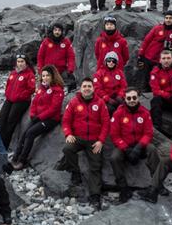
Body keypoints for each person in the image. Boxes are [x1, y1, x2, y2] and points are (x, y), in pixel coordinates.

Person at [62, 78, 110, 210]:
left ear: (93, 88)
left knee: (95, 167)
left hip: (94, 140)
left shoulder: (100, 103)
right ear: (81, 88)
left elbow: (106, 123)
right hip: (78, 138)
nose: (87, 88)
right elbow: (66, 120)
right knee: (67, 149)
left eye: (89, 86)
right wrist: (68, 134)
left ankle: (95, 196)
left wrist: (101, 141)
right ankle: (75, 172)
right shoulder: (74, 102)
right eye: (84, 86)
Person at [108, 87, 159, 203]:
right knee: (114, 157)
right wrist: (125, 148)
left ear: (138, 98)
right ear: (125, 99)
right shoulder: (118, 113)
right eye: (129, 98)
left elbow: (148, 133)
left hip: (140, 146)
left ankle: (157, 184)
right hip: (125, 146)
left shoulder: (145, 112)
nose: (132, 100)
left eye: (134, 97)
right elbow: (114, 135)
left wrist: (139, 147)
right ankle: (123, 188)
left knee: (152, 149)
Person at [11, 65, 65, 170]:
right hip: (38, 117)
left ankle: (22, 161)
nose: (45, 78)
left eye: (47, 75)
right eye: (43, 76)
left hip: (50, 119)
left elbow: (54, 109)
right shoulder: (41, 88)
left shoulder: (58, 90)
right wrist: (32, 114)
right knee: (24, 134)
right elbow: (34, 102)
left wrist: (40, 117)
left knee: (30, 133)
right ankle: (15, 157)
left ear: (53, 76)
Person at [136, 10, 172, 90]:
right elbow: (146, 41)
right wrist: (140, 55)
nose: (168, 20)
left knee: (159, 80)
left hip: (161, 61)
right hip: (149, 57)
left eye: (170, 18)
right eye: (166, 18)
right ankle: (146, 90)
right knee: (146, 80)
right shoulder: (157, 28)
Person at [0, 54, 36, 148]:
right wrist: (7, 93)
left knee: (10, 120)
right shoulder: (13, 73)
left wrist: (20, 96)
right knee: (1, 118)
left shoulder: (29, 74)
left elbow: (31, 89)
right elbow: (8, 85)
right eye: (18, 62)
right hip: (10, 99)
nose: (20, 64)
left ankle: (4, 145)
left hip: (22, 101)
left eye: (22, 61)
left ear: (26, 63)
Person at [37, 22, 76, 91]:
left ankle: (65, 90)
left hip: (61, 69)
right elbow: (40, 56)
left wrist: (70, 69)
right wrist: (40, 69)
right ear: (52, 31)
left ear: (62, 31)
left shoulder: (66, 42)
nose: (57, 32)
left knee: (70, 80)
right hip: (48, 70)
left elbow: (71, 56)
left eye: (59, 30)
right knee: (44, 86)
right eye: (55, 30)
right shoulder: (46, 42)